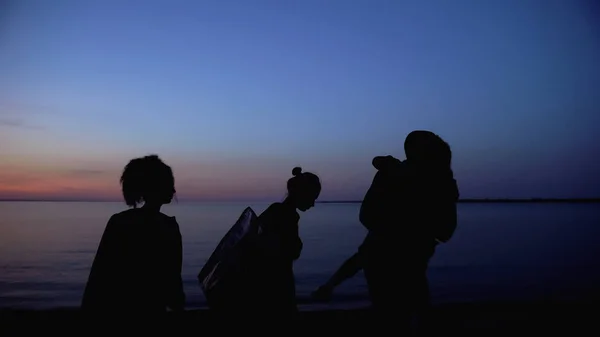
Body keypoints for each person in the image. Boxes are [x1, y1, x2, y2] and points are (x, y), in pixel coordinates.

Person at [313, 131, 458, 333]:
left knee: (401, 314)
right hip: (398, 265)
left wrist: (330, 285)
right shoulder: (406, 179)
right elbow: (366, 250)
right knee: (400, 315)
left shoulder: (431, 182)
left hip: (402, 265)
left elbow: (364, 250)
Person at [81, 155, 185, 315]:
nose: (173, 190)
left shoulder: (120, 222)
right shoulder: (168, 227)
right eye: (168, 184)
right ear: (154, 186)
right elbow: (174, 286)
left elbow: (98, 278)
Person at [248, 166, 321, 319]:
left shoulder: (275, 210)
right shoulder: (287, 215)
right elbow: (290, 251)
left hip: (263, 282)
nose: (313, 204)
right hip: (276, 283)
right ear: (302, 193)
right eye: (312, 197)